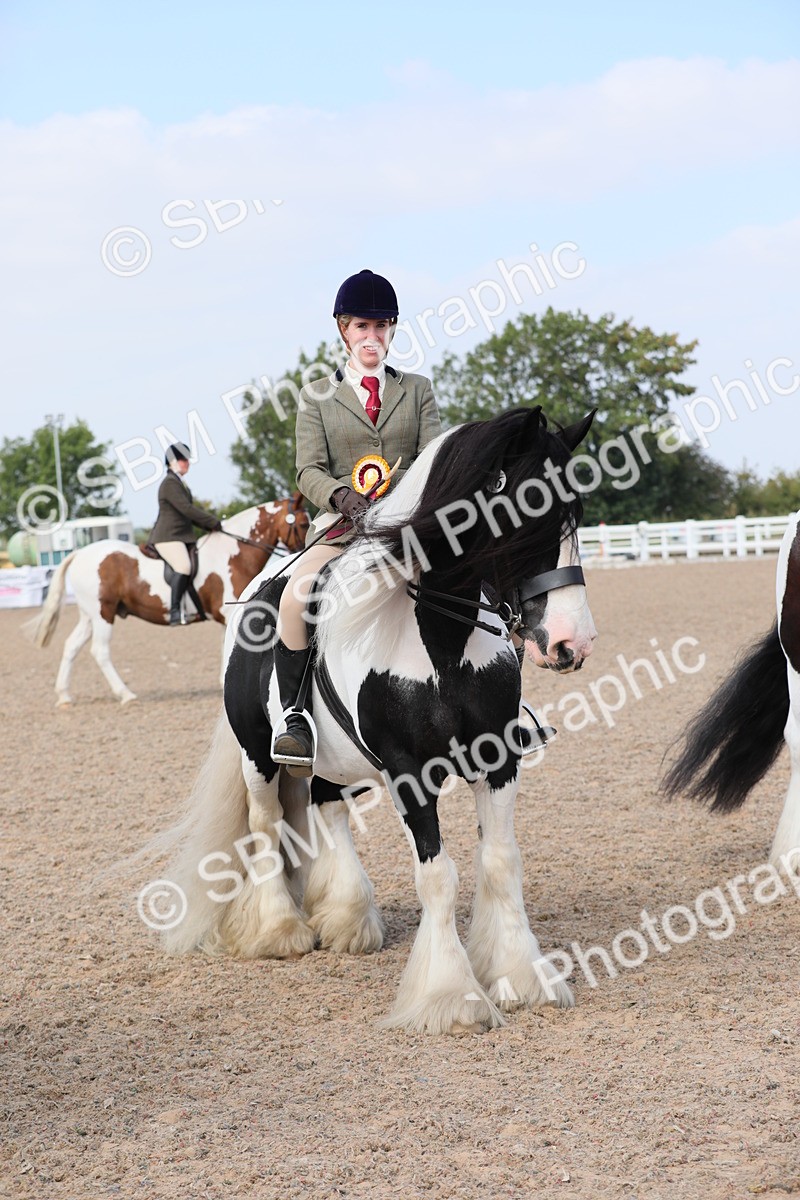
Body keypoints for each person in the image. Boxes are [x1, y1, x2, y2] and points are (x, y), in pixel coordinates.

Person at [272, 269, 442, 774]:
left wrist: (397, 495)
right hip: (342, 526)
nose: (373, 337)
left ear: (392, 331)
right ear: (343, 330)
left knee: (478, 579)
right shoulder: (316, 395)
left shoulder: (417, 389)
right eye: (362, 327)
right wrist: (345, 497)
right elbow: (307, 469)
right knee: (295, 597)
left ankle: (503, 704)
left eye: (382, 327)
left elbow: (432, 452)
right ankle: (296, 716)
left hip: (408, 521)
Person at [149, 442, 223, 625]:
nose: (187, 462)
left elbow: (188, 512)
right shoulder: (169, 483)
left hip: (181, 536)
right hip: (168, 536)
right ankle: (174, 612)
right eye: (183, 459)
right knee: (183, 567)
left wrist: (211, 527)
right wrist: (211, 521)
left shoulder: (179, 483)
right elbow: (186, 510)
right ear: (173, 462)